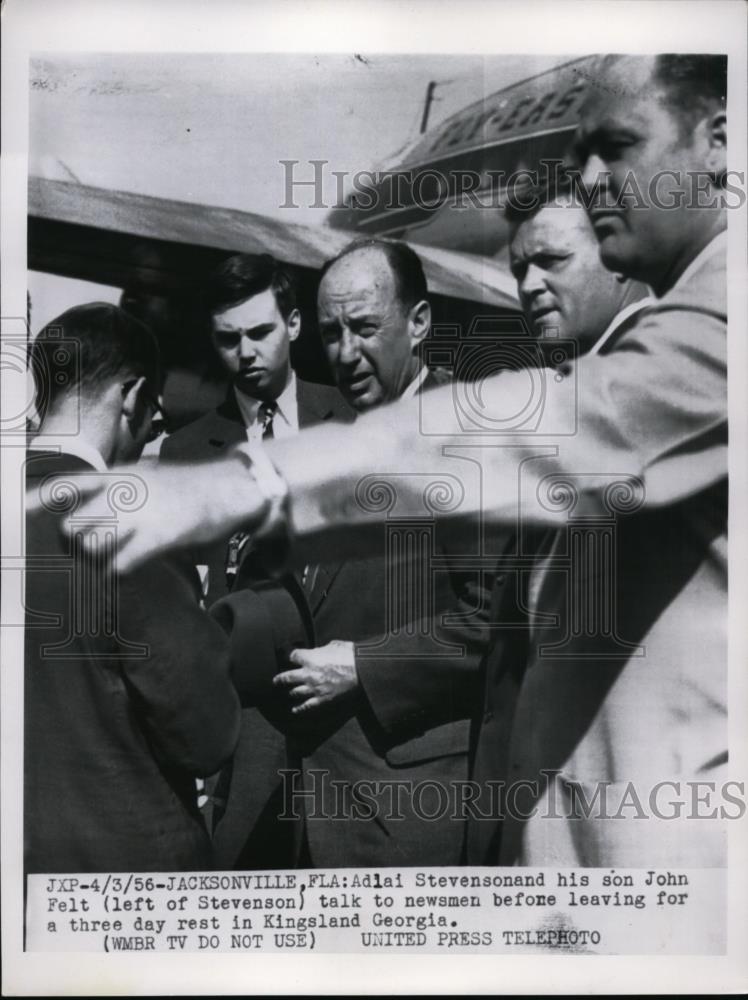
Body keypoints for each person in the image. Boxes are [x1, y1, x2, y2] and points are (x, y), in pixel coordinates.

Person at [70, 53, 729, 868]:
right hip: (455, 815)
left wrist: (251, 484)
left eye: (619, 145)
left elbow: (531, 453)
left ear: (720, 141)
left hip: (619, 846)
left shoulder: (711, 325)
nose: (593, 181)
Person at [267, 240, 491, 866]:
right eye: (330, 332)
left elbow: (497, 618)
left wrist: (365, 666)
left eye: (364, 329)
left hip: (410, 810)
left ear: (419, 323)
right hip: (316, 804)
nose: (343, 354)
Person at [24, 303, 241, 873]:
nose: (148, 437)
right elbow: (206, 735)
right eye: (154, 419)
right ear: (133, 396)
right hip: (123, 881)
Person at [160, 253, 352, 870]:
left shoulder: (352, 419)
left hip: (345, 705)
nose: (245, 352)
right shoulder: (185, 452)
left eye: (260, 332)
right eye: (227, 339)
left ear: (293, 325)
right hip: (241, 729)